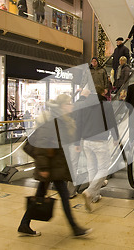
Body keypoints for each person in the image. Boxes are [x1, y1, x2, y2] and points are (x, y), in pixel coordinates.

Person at [18, 95, 91, 237]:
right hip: (51, 168)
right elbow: (42, 145)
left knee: (40, 196)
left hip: (54, 166)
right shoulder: (53, 121)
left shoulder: (63, 120)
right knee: (63, 196)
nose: (71, 106)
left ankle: (24, 224)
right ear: (62, 106)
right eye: (68, 103)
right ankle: (75, 228)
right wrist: (44, 168)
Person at [75, 85, 119, 212]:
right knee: (104, 168)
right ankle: (90, 192)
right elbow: (111, 122)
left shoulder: (84, 104)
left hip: (86, 141)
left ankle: (94, 196)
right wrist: (116, 137)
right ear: (103, 92)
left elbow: (79, 123)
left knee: (91, 168)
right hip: (100, 141)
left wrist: (77, 142)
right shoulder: (106, 104)